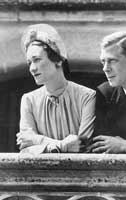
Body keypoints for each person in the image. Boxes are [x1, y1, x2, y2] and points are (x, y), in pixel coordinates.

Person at [16, 24, 96, 154]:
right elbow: (25, 149)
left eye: (37, 60)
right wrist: (62, 146)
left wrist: (37, 141)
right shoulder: (28, 100)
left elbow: (82, 147)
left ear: (58, 61)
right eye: (29, 62)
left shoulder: (87, 96)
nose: (32, 68)